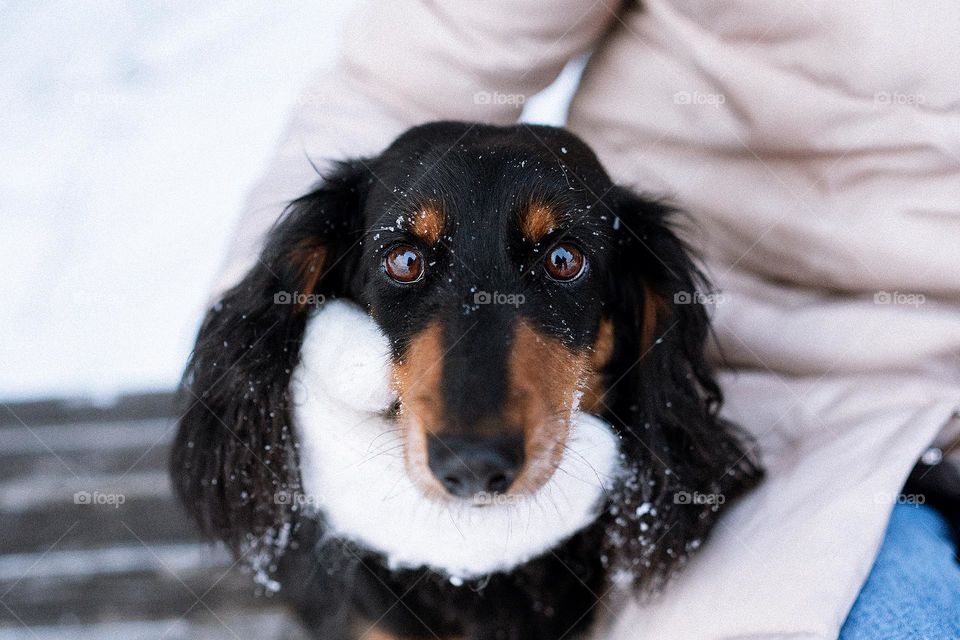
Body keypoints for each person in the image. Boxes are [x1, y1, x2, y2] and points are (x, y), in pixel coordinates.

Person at [212, 2, 960, 637]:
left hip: (900, 411)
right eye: (409, 264)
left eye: (559, 264)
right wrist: (253, 345)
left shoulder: (639, 290)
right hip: (710, 351)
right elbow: (401, 78)